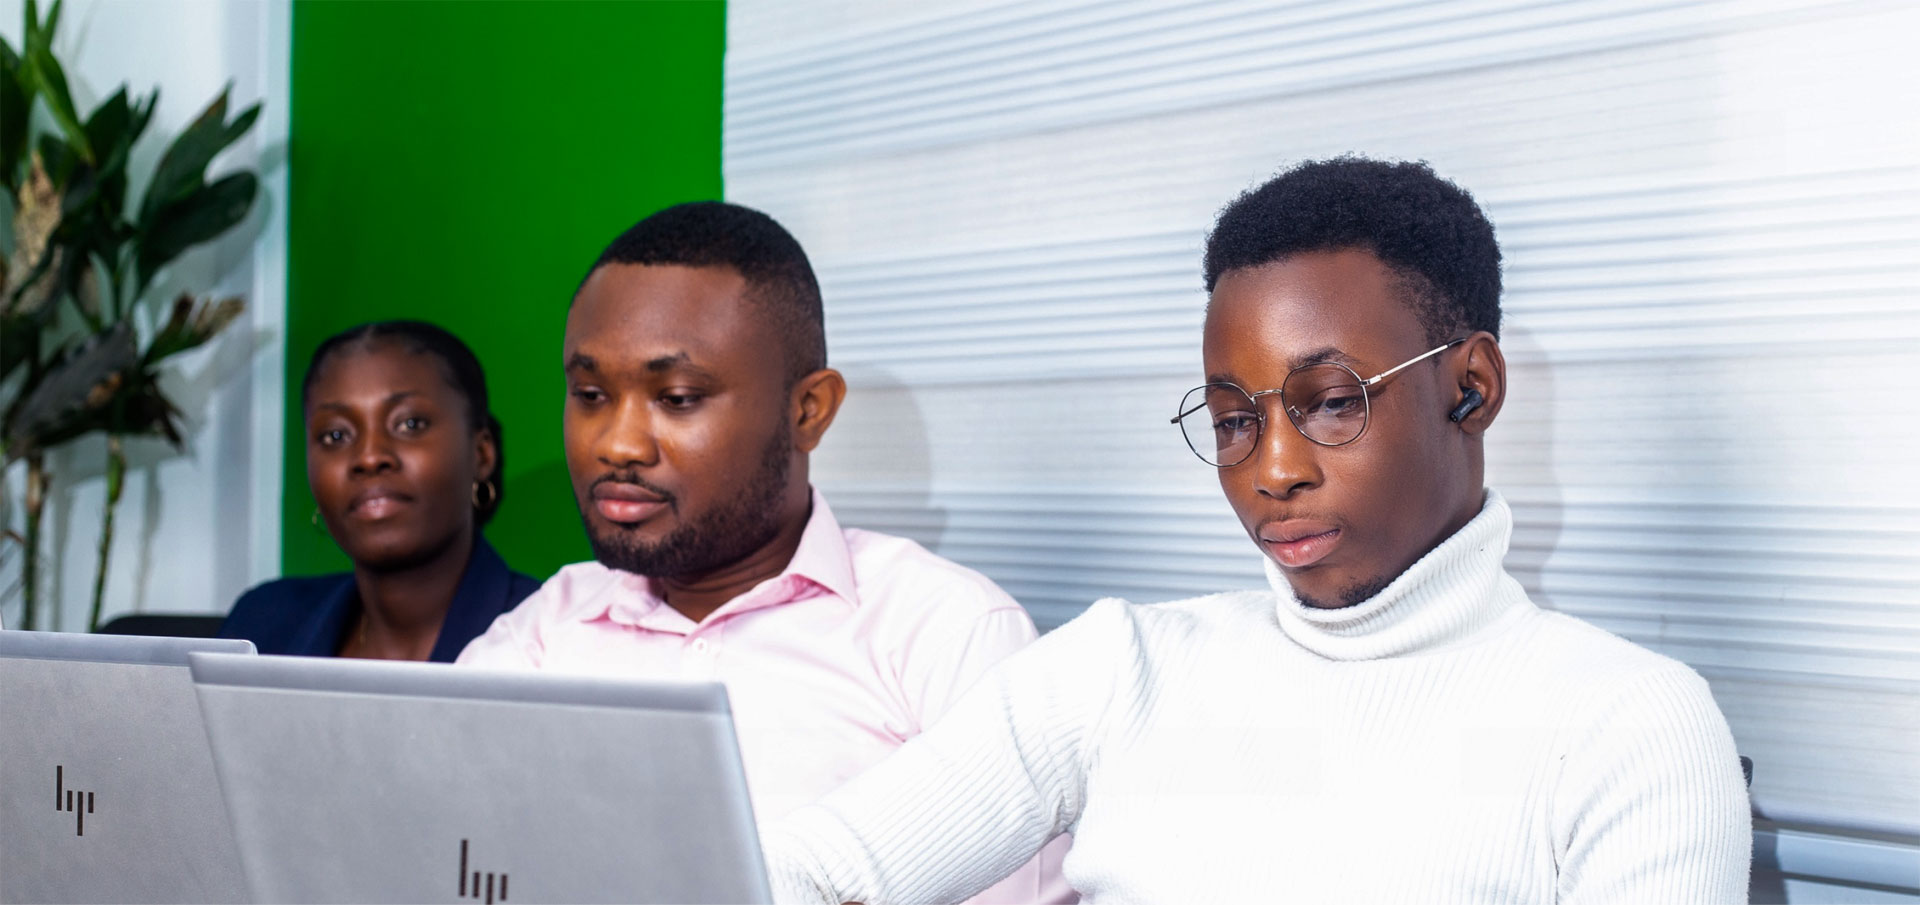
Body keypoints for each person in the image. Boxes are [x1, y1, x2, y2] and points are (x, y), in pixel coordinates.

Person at [764, 158, 1752, 904]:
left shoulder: (1629, 724)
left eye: (1331, 401)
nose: (1271, 469)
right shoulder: (1117, 670)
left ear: (1472, 387)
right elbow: (801, 874)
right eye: (1235, 419)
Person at [457, 202, 1073, 903]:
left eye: (678, 396)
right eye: (591, 393)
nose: (618, 443)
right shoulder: (543, 630)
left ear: (808, 410)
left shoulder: (945, 634)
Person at [222, 321, 538, 661]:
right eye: (336, 436)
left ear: (481, 453)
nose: (369, 457)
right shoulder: (264, 624)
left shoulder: (552, 633)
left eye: (410, 424)